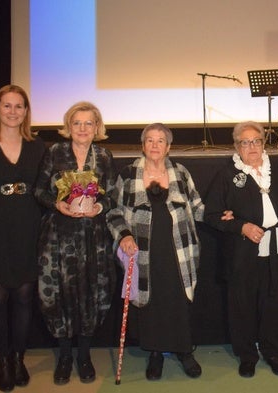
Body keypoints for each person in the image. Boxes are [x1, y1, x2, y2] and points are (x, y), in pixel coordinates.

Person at [106, 123, 204, 381]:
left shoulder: (181, 173)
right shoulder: (128, 174)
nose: (155, 145)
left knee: (179, 300)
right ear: (143, 145)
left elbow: (197, 206)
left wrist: (227, 217)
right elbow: (113, 211)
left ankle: (185, 351)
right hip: (144, 250)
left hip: (178, 249)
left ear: (169, 147)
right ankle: (156, 354)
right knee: (152, 302)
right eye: (150, 140)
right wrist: (124, 235)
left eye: (160, 141)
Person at [35, 101, 116, 385]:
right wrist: (57, 204)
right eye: (77, 123)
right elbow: (39, 191)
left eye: (88, 123)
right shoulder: (54, 153)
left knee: (90, 295)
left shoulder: (104, 156)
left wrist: (100, 207)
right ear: (69, 127)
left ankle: (83, 355)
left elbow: (112, 195)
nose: (82, 129)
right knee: (59, 295)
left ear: (97, 127)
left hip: (93, 238)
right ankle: (65, 356)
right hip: (59, 237)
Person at [204, 121, 278, 378]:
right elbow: (211, 215)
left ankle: (273, 352)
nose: (252, 146)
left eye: (256, 141)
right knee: (242, 305)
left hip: (276, 250)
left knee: (275, 303)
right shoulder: (227, 174)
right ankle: (247, 356)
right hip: (241, 253)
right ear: (236, 146)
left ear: (263, 143)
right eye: (245, 142)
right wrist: (241, 226)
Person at [0, 85, 45, 392]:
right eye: (7, 106)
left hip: (27, 229)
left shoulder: (38, 147)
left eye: (19, 106)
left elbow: (45, 192)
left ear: (26, 112)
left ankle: (19, 359)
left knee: (22, 298)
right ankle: (2, 361)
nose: (13, 112)